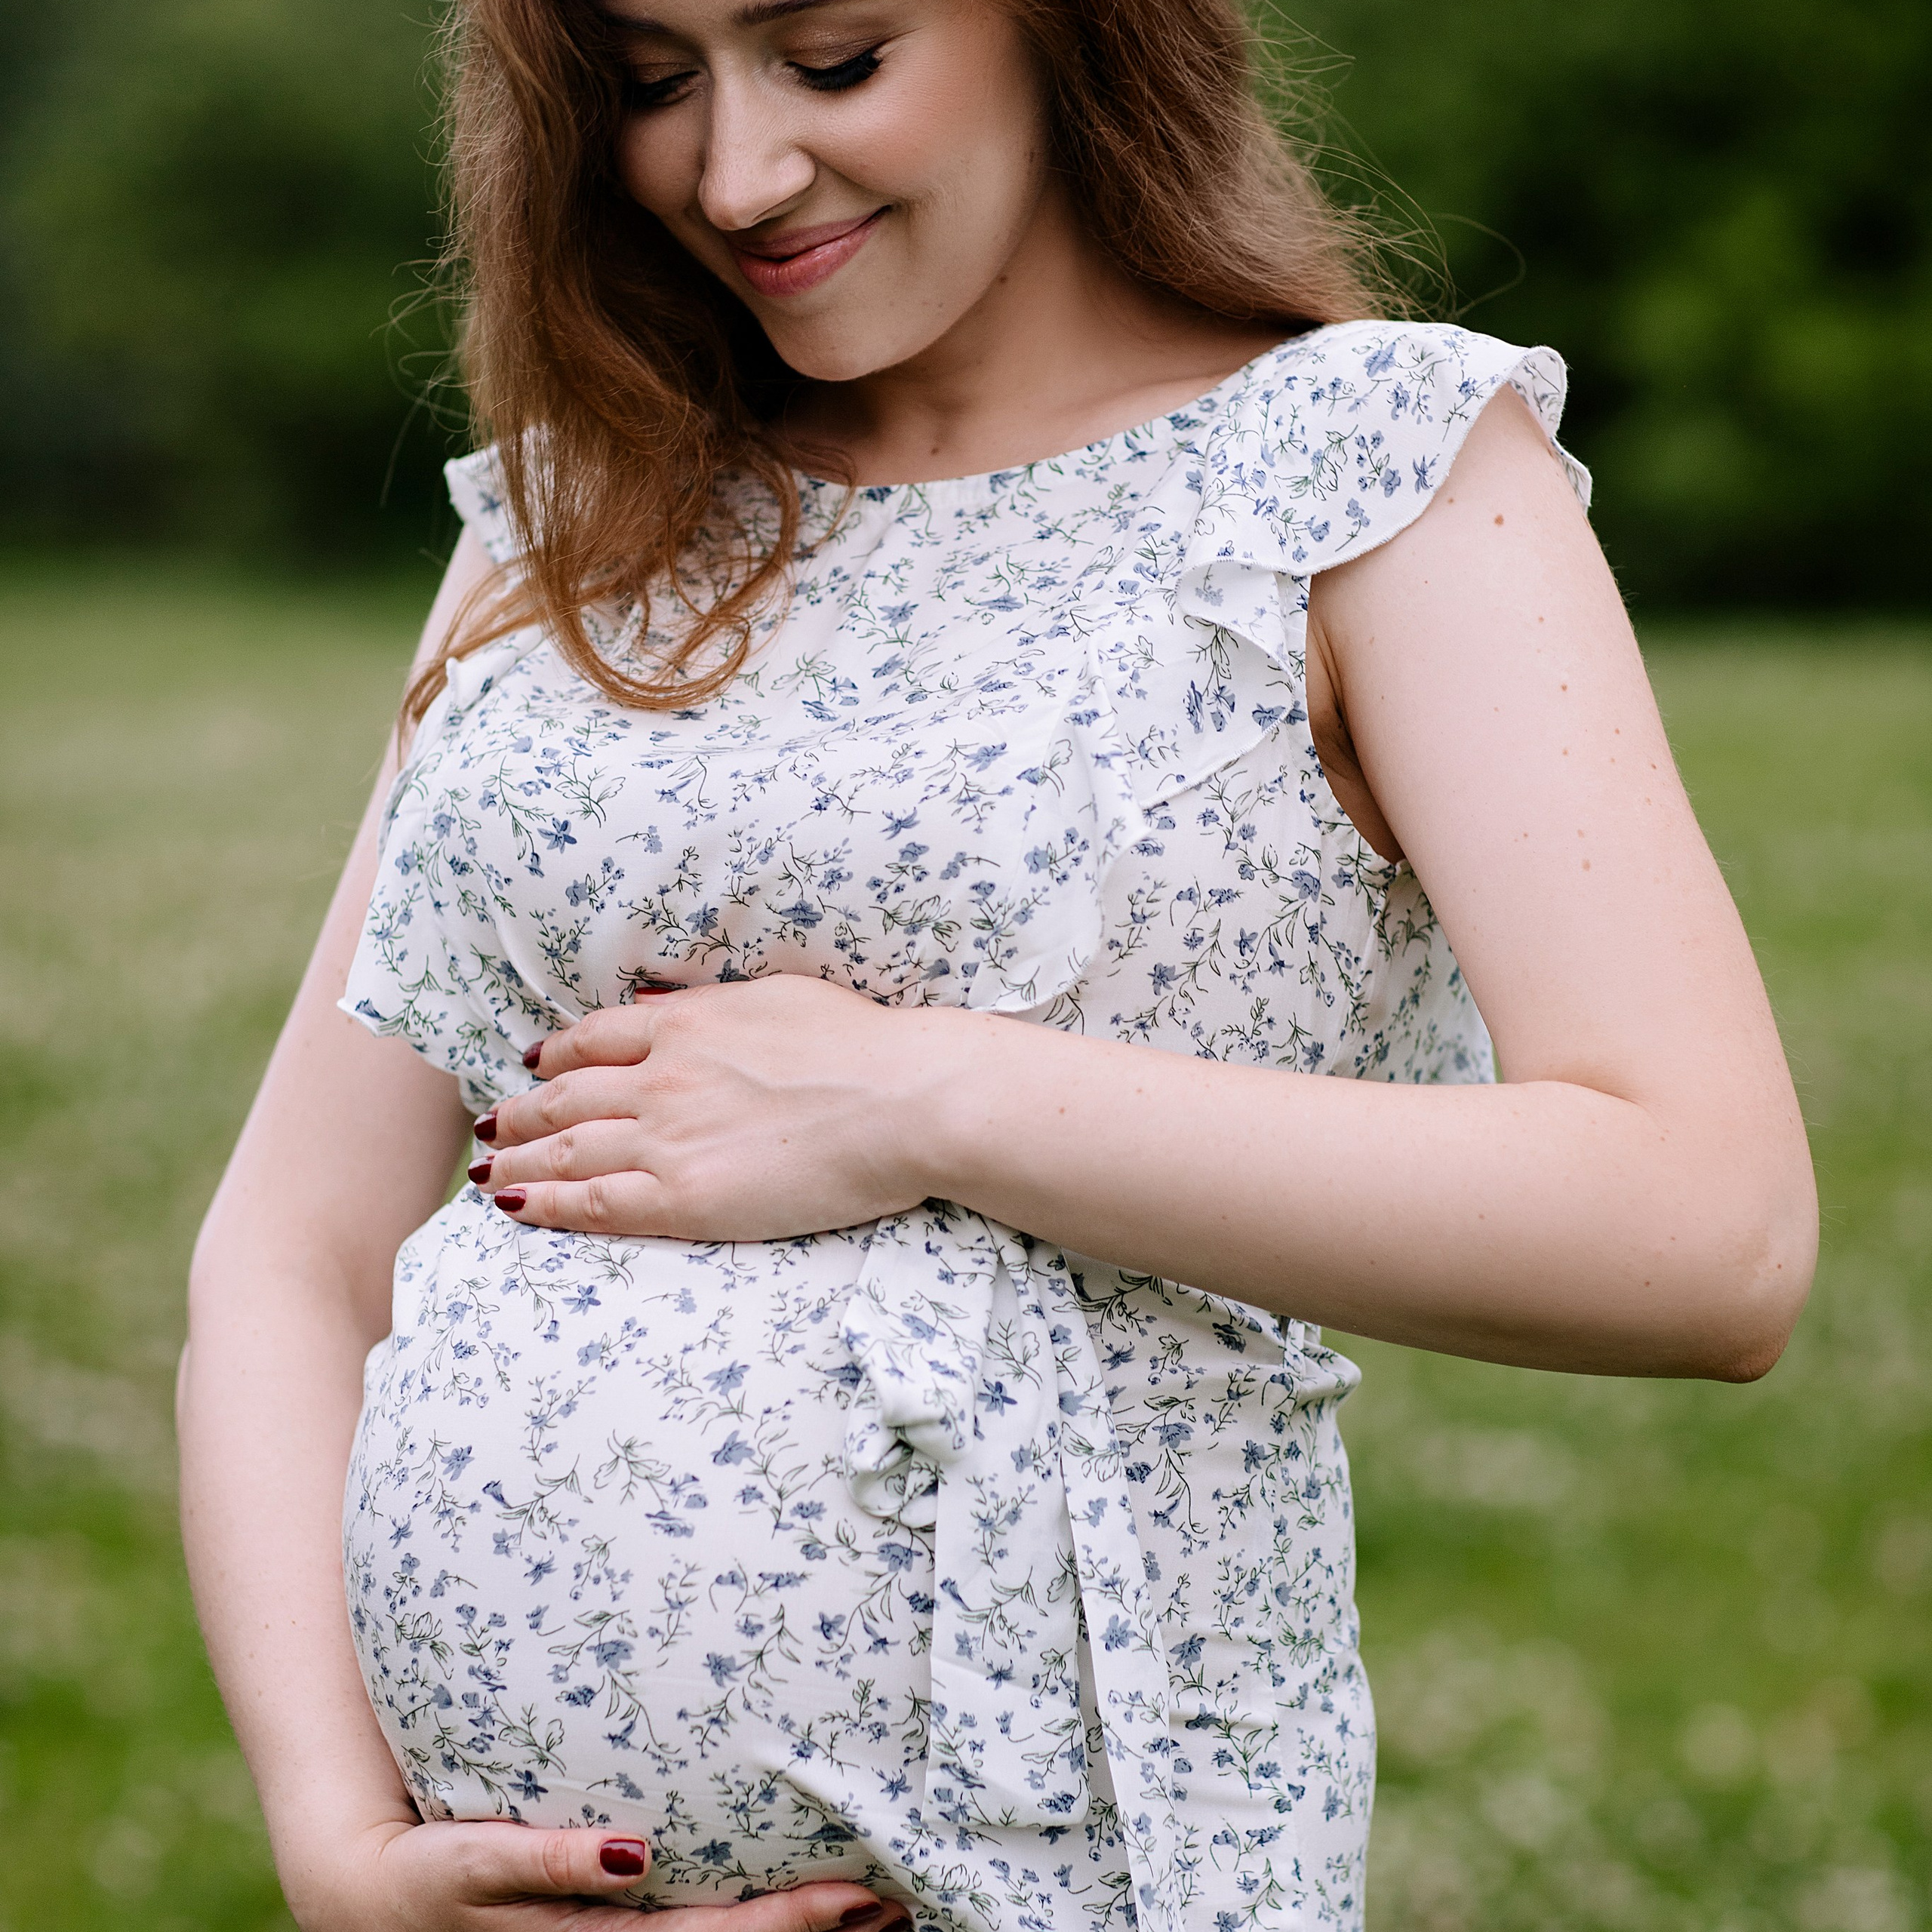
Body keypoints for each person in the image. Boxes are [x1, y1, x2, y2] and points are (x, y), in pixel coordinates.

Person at [179, 0, 1817, 1926]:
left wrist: (921, 1100)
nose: (734, 172)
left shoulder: (1364, 467)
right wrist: (339, 1839)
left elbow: (1706, 1228)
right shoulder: (570, 510)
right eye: (649, 82)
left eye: (835, 54)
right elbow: (294, 1249)